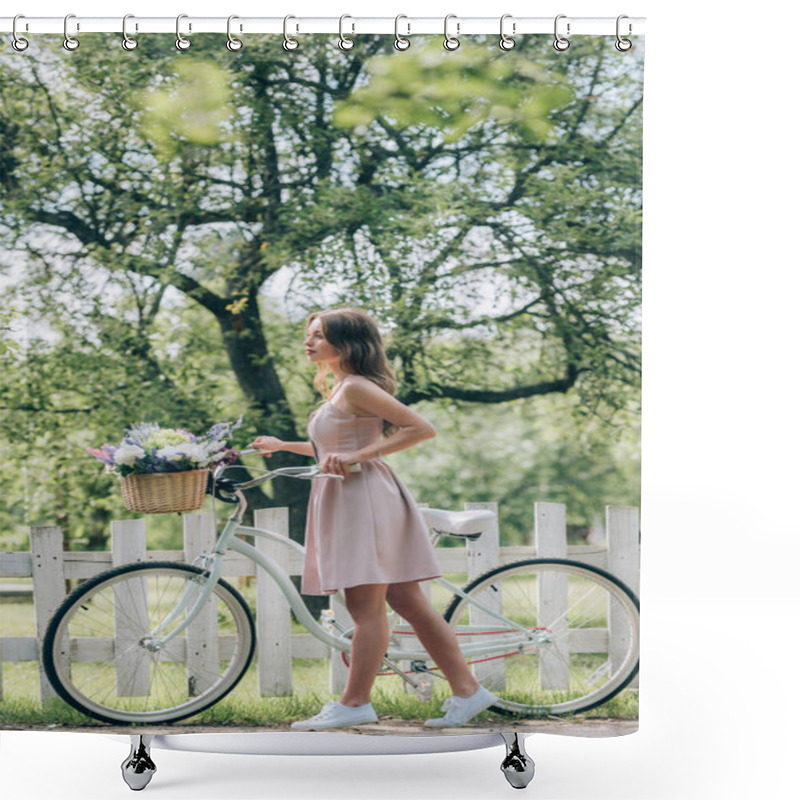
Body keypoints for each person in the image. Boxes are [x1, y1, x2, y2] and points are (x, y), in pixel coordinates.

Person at [250, 308, 497, 730]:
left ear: (345, 343)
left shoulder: (357, 387)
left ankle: (354, 702)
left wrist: (356, 457)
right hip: (356, 496)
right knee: (408, 603)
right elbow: (335, 446)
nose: (308, 342)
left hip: (363, 500)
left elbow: (420, 428)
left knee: (366, 609)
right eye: (308, 335)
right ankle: (469, 692)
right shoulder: (343, 388)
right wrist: (285, 445)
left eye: (319, 336)